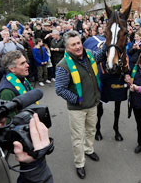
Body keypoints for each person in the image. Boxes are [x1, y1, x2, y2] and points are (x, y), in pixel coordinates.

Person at [55, 30, 106, 179]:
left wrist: (108, 43)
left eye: (78, 43)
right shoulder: (63, 66)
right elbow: (60, 89)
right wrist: (77, 100)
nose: (78, 47)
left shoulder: (89, 53)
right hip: (77, 108)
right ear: (67, 47)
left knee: (91, 131)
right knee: (78, 138)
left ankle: (89, 150)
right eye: (73, 45)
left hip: (93, 104)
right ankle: (79, 163)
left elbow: (100, 56)